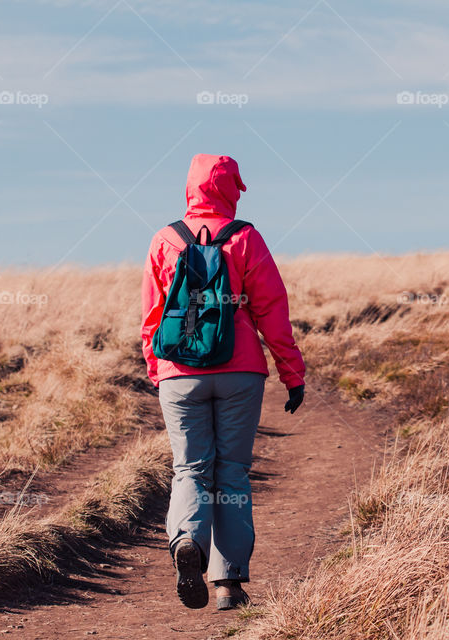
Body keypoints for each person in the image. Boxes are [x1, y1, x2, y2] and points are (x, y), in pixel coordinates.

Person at [141, 153, 306, 610]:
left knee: (189, 468)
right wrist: (292, 374)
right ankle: (229, 585)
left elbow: (152, 317)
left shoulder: (164, 239)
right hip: (240, 371)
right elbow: (274, 311)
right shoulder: (246, 238)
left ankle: (185, 541)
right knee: (231, 475)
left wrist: (160, 373)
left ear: (189, 187)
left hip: (179, 373)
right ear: (231, 189)